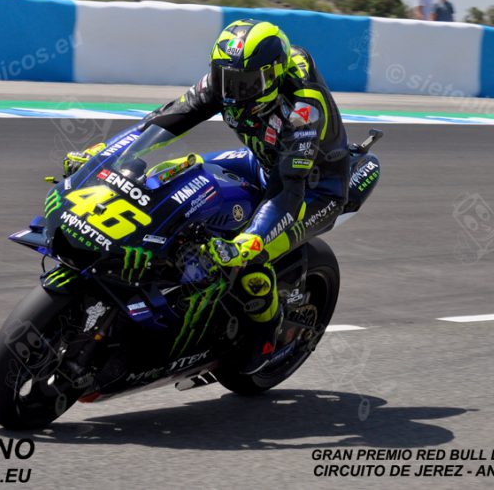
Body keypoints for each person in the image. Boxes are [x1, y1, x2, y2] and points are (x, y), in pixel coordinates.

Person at [136, 19, 349, 374]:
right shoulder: (228, 77)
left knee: (249, 265)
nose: (233, 93)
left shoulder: (303, 111)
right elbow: (172, 117)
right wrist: (114, 154)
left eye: (245, 84)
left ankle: (259, 345)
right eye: (225, 80)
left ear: (272, 77)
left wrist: (248, 242)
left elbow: (287, 191)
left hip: (313, 188)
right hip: (263, 161)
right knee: (179, 177)